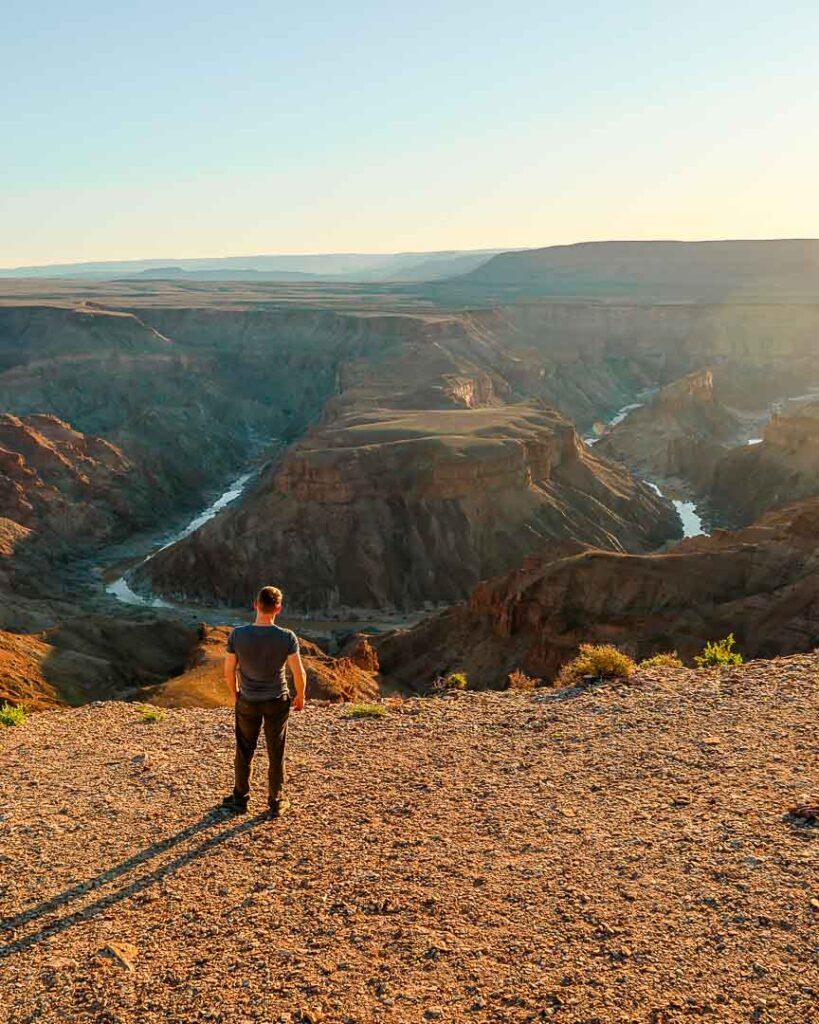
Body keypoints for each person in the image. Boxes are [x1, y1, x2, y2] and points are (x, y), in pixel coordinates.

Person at [221, 585, 306, 818]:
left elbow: (228, 671)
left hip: (248, 699)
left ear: (255, 605)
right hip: (277, 700)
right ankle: (276, 800)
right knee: (276, 750)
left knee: (244, 749)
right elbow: (298, 672)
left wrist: (235, 695)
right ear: (278, 608)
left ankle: (240, 799)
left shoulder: (237, 635)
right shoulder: (287, 637)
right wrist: (301, 695)